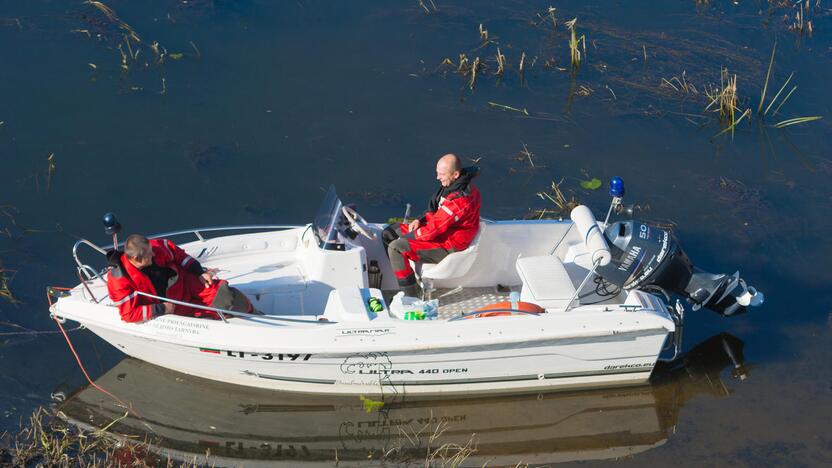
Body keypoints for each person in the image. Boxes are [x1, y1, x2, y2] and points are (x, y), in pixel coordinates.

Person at [383, 153, 481, 298]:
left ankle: (413, 297)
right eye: (437, 173)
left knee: (396, 247)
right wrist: (419, 220)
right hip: (441, 233)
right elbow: (436, 212)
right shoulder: (453, 186)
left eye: (442, 174)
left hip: (448, 244)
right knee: (389, 232)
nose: (437, 177)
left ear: (455, 174)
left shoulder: (459, 200)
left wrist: (407, 237)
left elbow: (431, 231)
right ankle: (403, 279)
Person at [106, 234, 254, 323]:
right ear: (136, 259)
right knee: (205, 320)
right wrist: (162, 308)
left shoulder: (155, 248)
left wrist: (199, 272)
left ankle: (254, 315)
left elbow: (178, 255)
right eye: (149, 254)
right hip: (173, 305)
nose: (153, 254)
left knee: (226, 294)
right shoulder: (119, 281)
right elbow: (128, 314)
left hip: (184, 283)